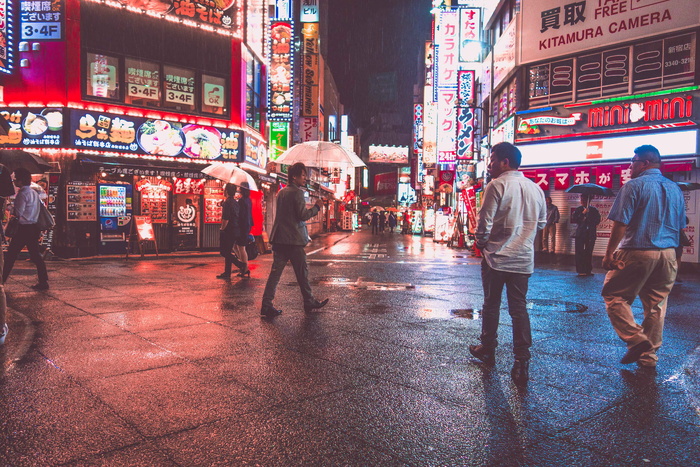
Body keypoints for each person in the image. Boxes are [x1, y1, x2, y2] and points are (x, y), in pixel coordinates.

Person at [468, 142, 546, 385]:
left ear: (504, 162)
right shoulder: (536, 188)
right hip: (523, 259)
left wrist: (481, 243)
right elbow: (542, 223)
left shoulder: (497, 185)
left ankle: (488, 348)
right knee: (518, 309)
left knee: (492, 304)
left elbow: (485, 222)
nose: (489, 164)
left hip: (496, 258)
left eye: (492, 159)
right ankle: (522, 360)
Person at [601, 145, 685, 368]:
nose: (630, 166)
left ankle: (636, 339)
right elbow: (680, 226)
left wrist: (609, 253)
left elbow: (620, 222)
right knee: (656, 305)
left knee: (614, 295)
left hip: (638, 250)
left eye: (633, 161)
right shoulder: (675, 189)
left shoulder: (633, 186)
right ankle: (649, 357)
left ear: (645, 163)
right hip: (667, 254)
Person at [261, 162, 329, 319]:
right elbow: (302, 215)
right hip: (293, 240)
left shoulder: (281, 192)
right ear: (294, 176)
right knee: (302, 272)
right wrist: (317, 207)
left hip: (279, 239)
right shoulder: (297, 193)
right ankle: (309, 301)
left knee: (275, 274)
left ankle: (266, 305)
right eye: (303, 175)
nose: (305, 178)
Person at [3, 168, 49, 290]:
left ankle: (2, 280)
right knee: (36, 255)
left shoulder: (22, 194)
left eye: (16, 179)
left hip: (23, 229)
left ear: (21, 180)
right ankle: (43, 281)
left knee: (11, 256)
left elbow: (18, 213)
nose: (14, 181)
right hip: (33, 227)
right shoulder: (34, 192)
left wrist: (8, 206)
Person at [217, 183, 245, 279]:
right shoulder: (235, 202)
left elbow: (226, 218)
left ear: (227, 191)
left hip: (229, 231)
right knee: (228, 251)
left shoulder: (227, 203)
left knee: (224, 252)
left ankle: (240, 264)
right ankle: (227, 272)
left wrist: (222, 228)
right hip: (236, 229)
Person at [571, 194, 601, 276]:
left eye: (584, 200)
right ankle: (580, 270)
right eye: (581, 200)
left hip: (590, 234)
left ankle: (588, 270)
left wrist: (589, 217)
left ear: (589, 201)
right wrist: (583, 214)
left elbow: (597, 221)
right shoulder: (578, 210)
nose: (582, 201)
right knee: (579, 252)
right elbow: (575, 219)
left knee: (588, 252)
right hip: (580, 233)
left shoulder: (594, 210)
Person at [233, 182, 253, 278]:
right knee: (237, 247)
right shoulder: (248, 200)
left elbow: (240, 215)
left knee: (241, 247)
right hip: (246, 226)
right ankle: (243, 266)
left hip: (242, 227)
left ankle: (245, 268)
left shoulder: (241, 201)